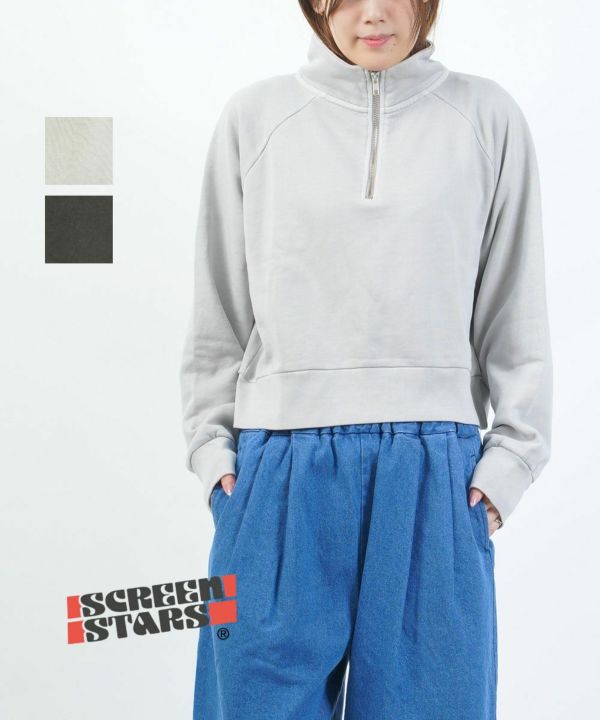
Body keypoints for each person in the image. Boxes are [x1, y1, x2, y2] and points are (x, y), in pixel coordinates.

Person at [179, 1, 553, 717]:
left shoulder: (486, 118)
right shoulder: (254, 118)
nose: (373, 14)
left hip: (434, 480)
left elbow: (516, 303)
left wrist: (510, 464)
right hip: (276, 476)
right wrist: (213, 456)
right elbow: (218, 308)